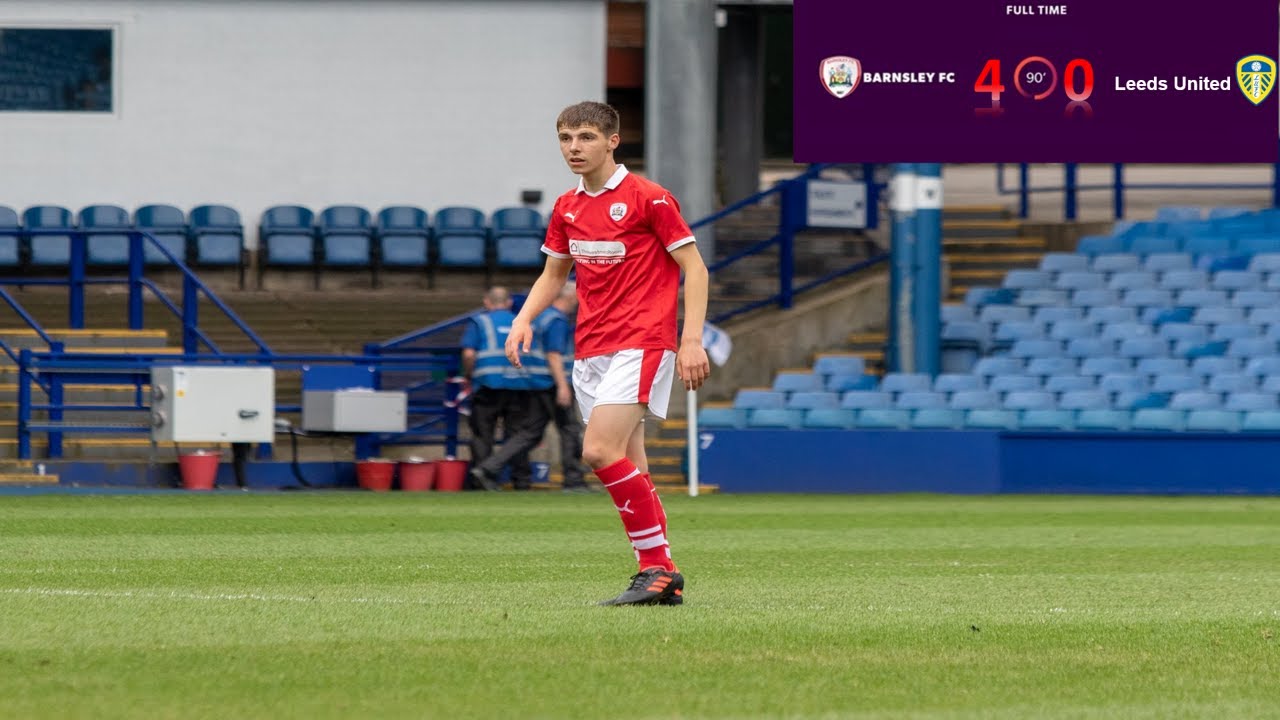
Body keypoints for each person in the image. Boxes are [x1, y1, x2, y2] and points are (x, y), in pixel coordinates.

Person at [506, 101, 710, 606]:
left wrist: (690, 339)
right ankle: (663, 574)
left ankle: (653, 568)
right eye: (566, 138)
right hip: (590, 349)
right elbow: (554, 275)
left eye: (586, 137)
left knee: (596, 451)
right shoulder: (566, 207)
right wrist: (523, 318)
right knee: (630, 465)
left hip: (642, 341)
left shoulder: (649, 198)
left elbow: (696, 269)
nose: (574, 147)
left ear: (612, 141)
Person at [460, 286, 553, 491]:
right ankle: (521, 481)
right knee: (516, 434)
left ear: (487, 302)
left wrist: (469, 375)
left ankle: (482, 479)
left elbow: (468, 354)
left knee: (482, 434)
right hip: (520, 385)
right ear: (510, 302)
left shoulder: (480, 322)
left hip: (487, 385)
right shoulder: (522, 322)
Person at [534, 282, 592, 492]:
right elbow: (554, 354)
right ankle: (573, 480)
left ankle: (489, 469)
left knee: (529, 432)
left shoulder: (543, 317)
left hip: (539, 382)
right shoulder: (557, 320)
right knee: (570, 430)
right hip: (555, 382)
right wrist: (563, 386)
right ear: (569, 296)